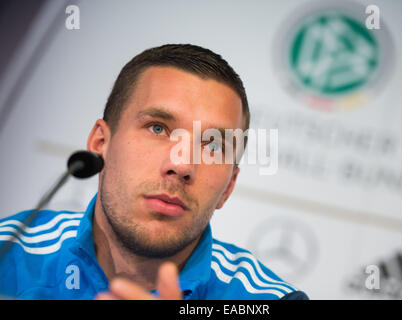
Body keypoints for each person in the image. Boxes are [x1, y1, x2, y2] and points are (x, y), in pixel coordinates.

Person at [0, 44, 308, 300]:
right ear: (100, 143)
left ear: (228, 187)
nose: (182, 165)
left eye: (212, 146)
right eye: (158, 128)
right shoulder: (8, 253)